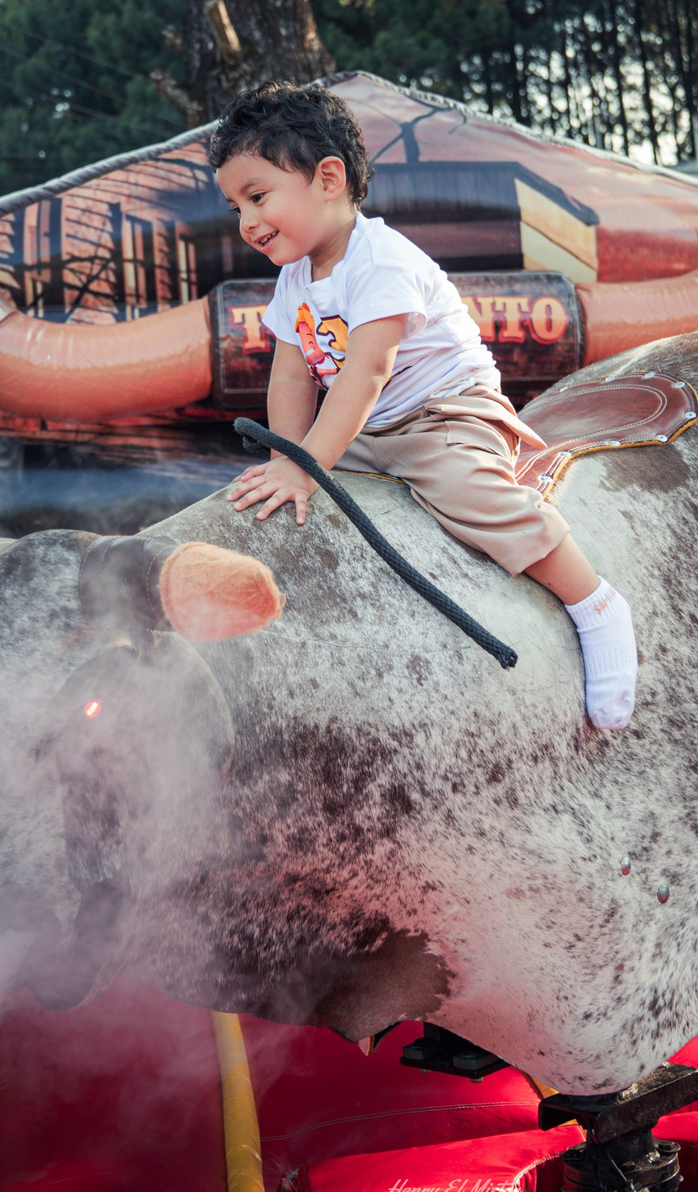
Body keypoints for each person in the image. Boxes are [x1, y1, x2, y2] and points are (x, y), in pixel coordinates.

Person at [208, 84, 639, 729]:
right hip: (370, 425)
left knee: (471, 493)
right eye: (236, 207)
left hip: (443, 412)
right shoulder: (295, 276)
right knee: (278, 494)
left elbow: (367, 371)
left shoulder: (380, 260)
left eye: (258, 196)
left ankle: (594, 604)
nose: (246, 222)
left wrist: (307, 464)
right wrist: (287, 461)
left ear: (328, 179)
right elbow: (292, 377)